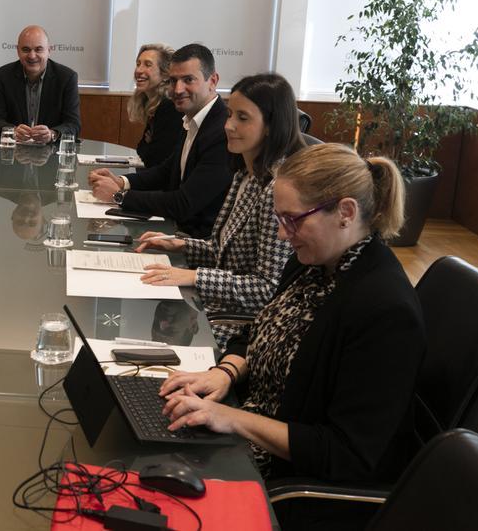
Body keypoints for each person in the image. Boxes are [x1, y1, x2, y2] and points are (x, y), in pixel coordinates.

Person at [159, 143, 425, 530]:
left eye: (293, 220)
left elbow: (344, 453)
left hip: (289, 483)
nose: (284, 235)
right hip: (248, 428)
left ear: (345, 213)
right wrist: (226, 373)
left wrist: (232, 419)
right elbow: (261, 327)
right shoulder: (317, 264)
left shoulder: (384, 311)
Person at [136, 74, 305, 348]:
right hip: (220, 305)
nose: (228, 126)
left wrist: (194, 276)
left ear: (272, 126)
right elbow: (220, 250)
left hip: (246, 325)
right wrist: (180, 245)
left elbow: (267, 288)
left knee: (149, 337)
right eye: (229, 115)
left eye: (243, 118)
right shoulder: (244, 174)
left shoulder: (279, 189)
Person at [88, 44, 231, 237]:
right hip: (174, 230)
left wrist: (119, 196)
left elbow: (184, 203)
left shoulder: (221, 131)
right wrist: (122, 182)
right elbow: (166, 171)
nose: (178, 89)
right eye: (173, 81)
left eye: (188, 80)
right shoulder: (191, 117)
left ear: (212, 80)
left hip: (195, 243)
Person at [0, 25, 81, 145]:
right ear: (18, 51)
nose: (32, 56)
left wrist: (52, 134)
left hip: (52, 154)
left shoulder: (67, 78)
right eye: (26, 49)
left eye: (38, 49)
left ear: (49, 51)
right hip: (13, 154)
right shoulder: (3, 76)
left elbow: (73, 124)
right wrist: (12, 131)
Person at [127, 43, 180, 166]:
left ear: (165, 73)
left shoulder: (169, 105)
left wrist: (149, 143)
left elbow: (152, 158)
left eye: (148, 65)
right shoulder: (153, 104)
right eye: (138, 64)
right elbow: (141, 149)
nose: (139, 70)